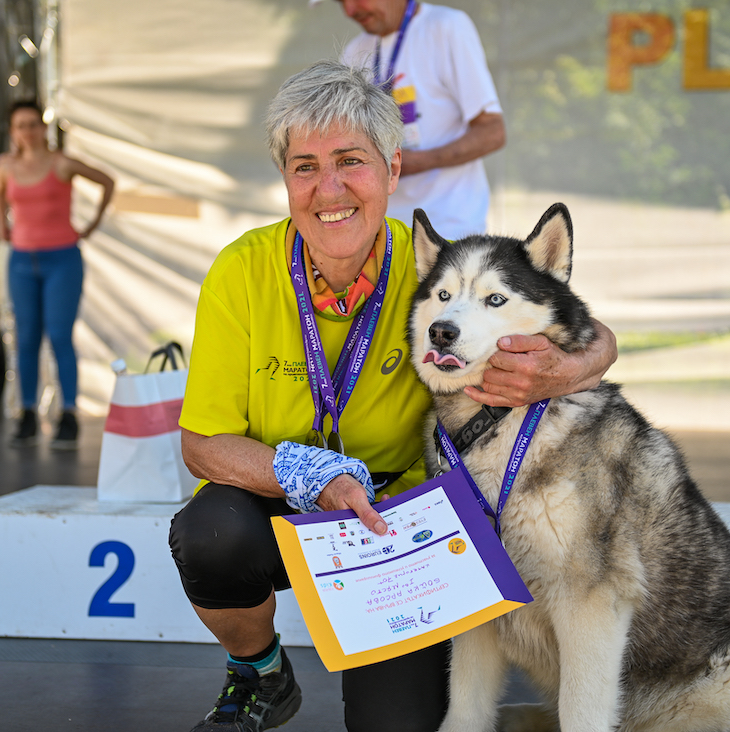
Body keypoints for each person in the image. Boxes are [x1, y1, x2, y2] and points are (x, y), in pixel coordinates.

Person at [169, 60, 617, 732]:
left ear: (392, 169)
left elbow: (588, 330)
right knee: (210, 535)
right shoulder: (241, 271)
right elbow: (202, 443)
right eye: (304, 166)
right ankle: (259, 672)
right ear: (285, 178)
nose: (329, 189)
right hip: (283, 499)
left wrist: (569, 368)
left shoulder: (438, 267)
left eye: (351, 161)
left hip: (405, 524)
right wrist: (308, 474)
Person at [0, 100, 114, 450]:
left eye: (32, 124)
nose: (27, 131)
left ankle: (69, 414)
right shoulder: (5, 166)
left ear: (43, 128)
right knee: (26, 336)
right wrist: (1, 222)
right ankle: (27, 413)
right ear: (12, 132)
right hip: (21, 261)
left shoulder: (62, 164)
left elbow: (107, 181)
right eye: (20, 125)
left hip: (62, 259)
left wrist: (91, 225)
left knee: (59, 334)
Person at [334, 0, 505, 240]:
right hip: (383, 233)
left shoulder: (446, 27)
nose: (350, 11)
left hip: (448, 231)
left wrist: (412, 162)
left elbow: (492, 133)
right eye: (339, 1)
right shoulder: (354, 51)